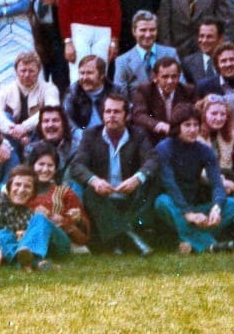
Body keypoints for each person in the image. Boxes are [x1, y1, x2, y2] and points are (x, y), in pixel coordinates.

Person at [69, 94, 159, 256]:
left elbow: (152, 160)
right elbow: (77, 165)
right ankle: (130, 236)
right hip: (104, 197)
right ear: (103, 114)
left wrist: (137, 178)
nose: (111, 115)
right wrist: (95, 181)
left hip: (130, 196)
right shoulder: (91, 135)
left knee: (152, 180)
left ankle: (117, 239)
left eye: (116, 112)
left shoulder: (138, 135)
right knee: (89, 191)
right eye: (108, 111)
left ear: (127, 116)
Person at [154, 104, 234, 254]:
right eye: (187, 125)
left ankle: (188, 242)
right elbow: (170, 184)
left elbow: (217, 184)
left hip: (196, 208)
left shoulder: (205, 150)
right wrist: (188, 214)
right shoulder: (164, 148)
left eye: (196, 125)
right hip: (175, 206)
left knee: (231, 204)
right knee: (162, 201)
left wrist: (216, 207)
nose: (193, 130)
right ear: (177, 127)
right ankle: (210, 245)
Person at [0, 165, 68, 272]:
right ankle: (36, 263)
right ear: (9, 186)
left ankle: (32, 260)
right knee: (1, 235)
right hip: (24, 247)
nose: (21, 190)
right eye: (17, 184)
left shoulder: (30, 213)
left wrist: (26, 233)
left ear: (33, 191)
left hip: (58, 244)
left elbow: (38, 234)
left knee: (39, 218)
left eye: (27, 186)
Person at [0, 51, 60, 149]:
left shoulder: (49, 88)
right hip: (12, 135)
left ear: (39, 71)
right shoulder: (5, 89)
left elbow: (52, 108)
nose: (27, 75)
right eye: (23, 71)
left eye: (31, 71)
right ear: (16, 71)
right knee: (5, 116)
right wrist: (12, 130)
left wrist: (24, 127)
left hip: (38, 133)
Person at [29, 144, 91, 249]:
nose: (45, 169)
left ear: (55, 169)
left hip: (58, 241)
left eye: (50, 165)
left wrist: (74, 220)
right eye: (41, 164)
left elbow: (84, 236)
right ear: (32, 165)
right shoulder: (23, 191)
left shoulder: (65, 193)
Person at [131, 56, 196, 145]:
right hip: (153, 140)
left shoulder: (187, 91)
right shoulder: (145, 90)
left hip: (180, 139)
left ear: (179, 77)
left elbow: (194, 115)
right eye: (165, 77)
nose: (170, 81)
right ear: (155, 77)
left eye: (174, 76)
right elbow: (139, 115)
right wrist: (158, 125)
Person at [112, 11, 179, 93]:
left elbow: (181, 86)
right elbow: (120, 95)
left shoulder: (171, 54)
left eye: (152, 30)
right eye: (143, 30)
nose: (148, 35)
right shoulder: (122, 61)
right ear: (134, 31)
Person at [63, 54, 120, 143]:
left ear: (102, 75)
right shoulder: (72, 93)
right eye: (82, 73)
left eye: (89, 73)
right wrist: (87, 139)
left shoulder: (115, 92)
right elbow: (69, 123)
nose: (84, 78)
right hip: (82, 140)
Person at [25, 106, 80, 182]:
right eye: (46, 121)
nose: (50, 124)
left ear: (63, 124)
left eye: (55, 120)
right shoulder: (30, 149)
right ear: (40, 126)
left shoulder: (75, 149)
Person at [182, 19, 225, 86]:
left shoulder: (230, 61)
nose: (204, 41)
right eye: (201, 36)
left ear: (220, 39)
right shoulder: (188, 63)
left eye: (209, 37)